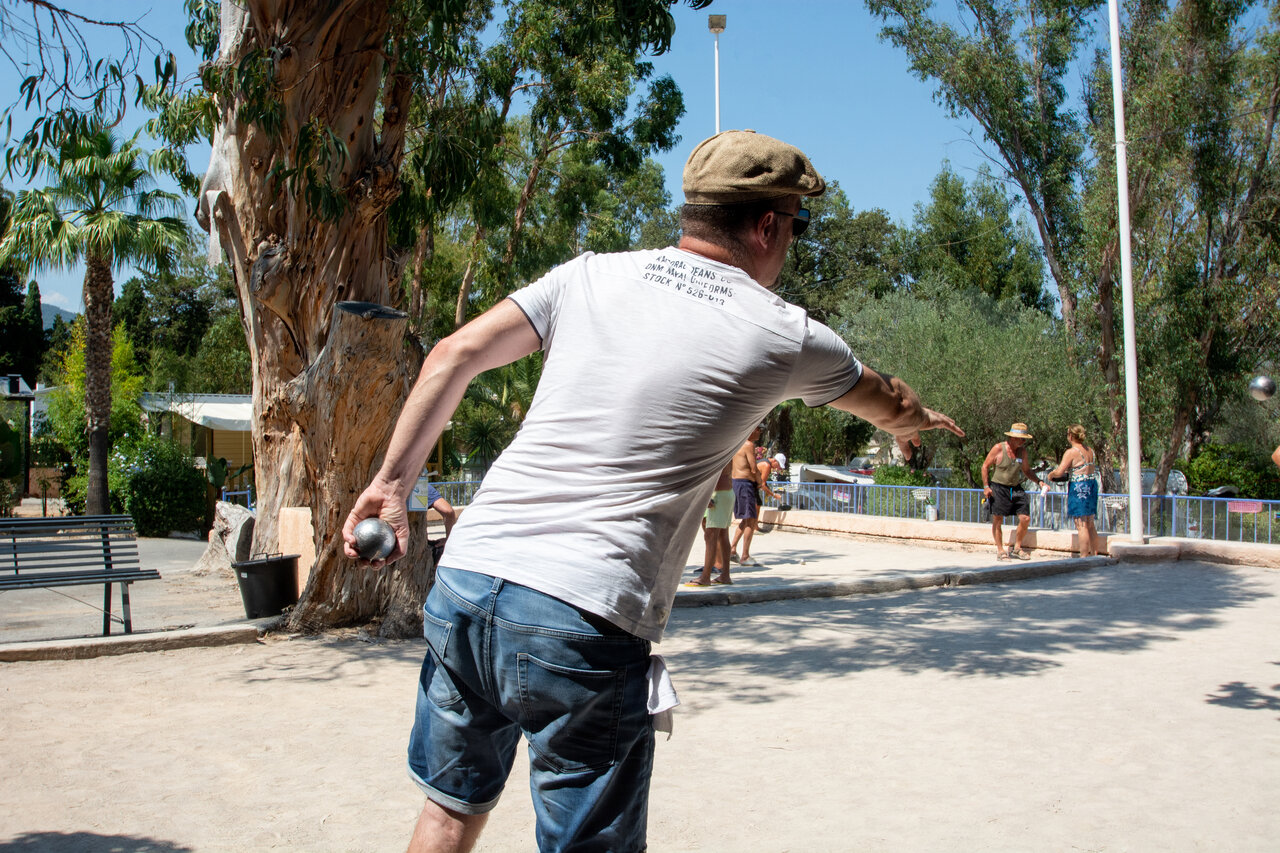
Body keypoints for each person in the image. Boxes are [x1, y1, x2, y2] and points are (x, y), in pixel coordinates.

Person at [342, 129, 964, 853]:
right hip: (580, 613)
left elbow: (453, 355)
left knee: (449, 811)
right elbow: (885, 401)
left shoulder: (589, 275)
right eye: (799, 223)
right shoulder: (785, 333)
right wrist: (920, 418)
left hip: (470, 580)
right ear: (768, 224)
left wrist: (390, 486)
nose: (794, 238)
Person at [981, 422, 1047, 560]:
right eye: (1021, 439)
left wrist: (1039, 482)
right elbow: (985, 466)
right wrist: (986, 486)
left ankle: (1017, 548)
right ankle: (1000, 550)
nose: (1023, 442)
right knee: (997, 518)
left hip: (1015, 488)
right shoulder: (999, 448)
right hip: (998, 487)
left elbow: (1027, 471)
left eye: (1025, 439)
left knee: (1025, 518)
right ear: (1012, 438)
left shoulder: (1022, 452)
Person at [1048, 425, 1100, 557]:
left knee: (1081, 524)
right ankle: (1094, 554)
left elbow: (1060, 472)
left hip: (1079, 487)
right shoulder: (1091, 451)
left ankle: (1084, 557)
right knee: (1090, 522)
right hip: (1092, 484)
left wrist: (1051, 474)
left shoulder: (1071, 452)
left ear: (1070, 436)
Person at [729, 427, 774, 566]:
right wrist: (761, 484)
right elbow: (754, 468)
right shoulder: (748, 445)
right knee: (751, 519)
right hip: (746, 484)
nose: (760, 432)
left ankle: (732, 550)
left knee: (746, 519)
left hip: (737, 483)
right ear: (752, 430)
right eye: (758, 429)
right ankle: (745, 556)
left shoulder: (736, 443)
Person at [688, 461, 733, 586]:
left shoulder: (720, 445)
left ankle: (705, 577)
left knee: (710, 536)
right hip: (726, 492)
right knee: (723, 536)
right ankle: (725, 575)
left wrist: (706, 495)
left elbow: (713, 472)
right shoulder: (728, 445)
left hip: (718, 494)